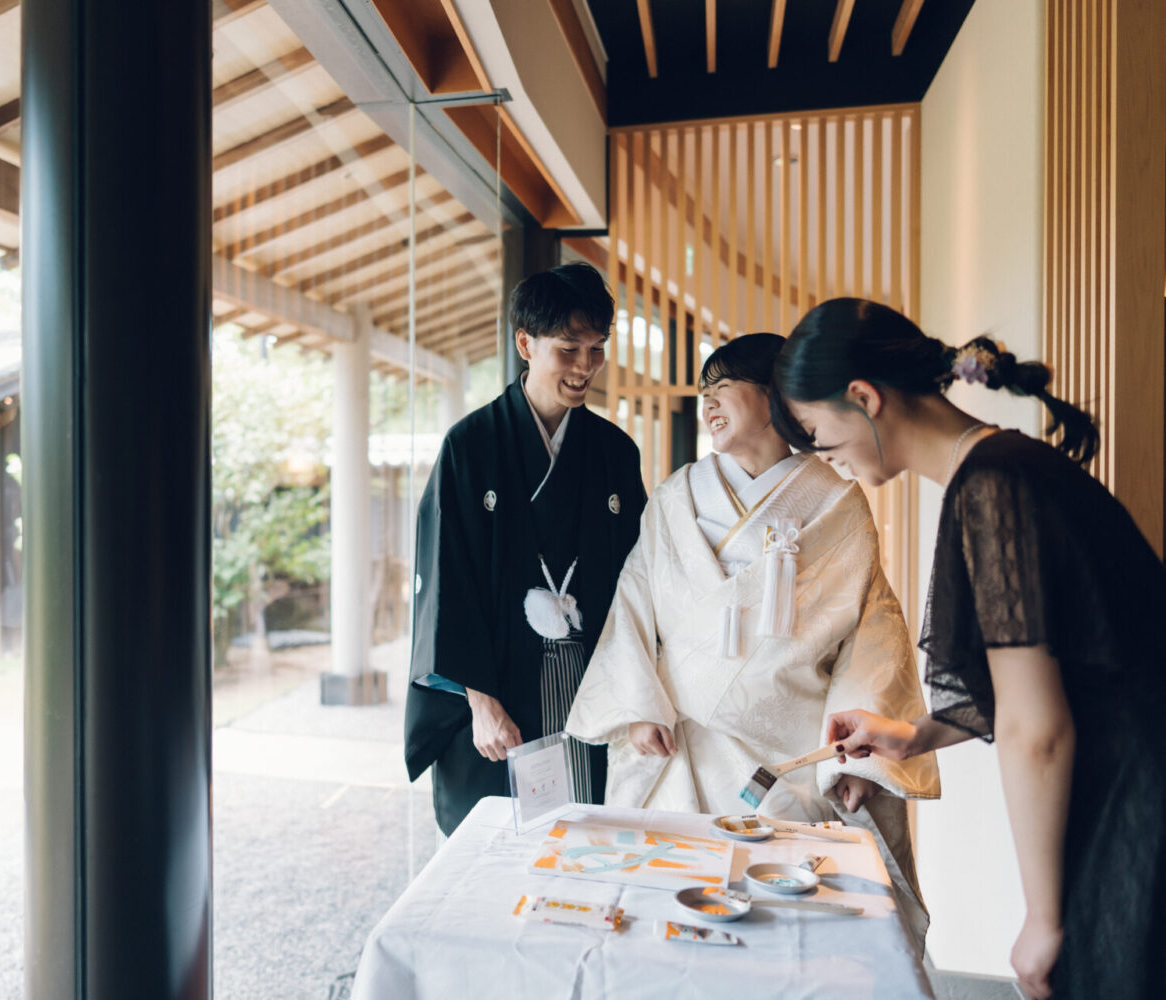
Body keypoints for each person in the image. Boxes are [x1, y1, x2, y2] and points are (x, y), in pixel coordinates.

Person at [771, 297, 1166, 1000]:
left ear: (863, 398)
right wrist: (912, 734)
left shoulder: (993, 487)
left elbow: (1034, 727)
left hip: (1136, 797)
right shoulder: (1008, 468)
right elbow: (1057, 673)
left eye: (817, 434)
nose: (826, 458)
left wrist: (1042, 919)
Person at [565, 332, 939, 934]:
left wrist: (852, 758)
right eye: (703, 391)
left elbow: (872, 635)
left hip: (786, 755)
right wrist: (637, 707)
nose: (707, 403)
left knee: (785, 925)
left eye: (723, 388)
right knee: (662, 911)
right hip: (676, 743)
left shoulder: (835, 501)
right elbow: (631, 605)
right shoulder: (675, 497)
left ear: (771, 395)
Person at [404, 261, 647, 836]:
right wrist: (480, 702)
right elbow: (447, 581)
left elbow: (641, 582)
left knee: (586, 846)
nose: (585, 367)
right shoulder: (471, 445)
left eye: (596, 348)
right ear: (525, 344)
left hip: (589, 692)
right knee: (499, 859)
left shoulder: (614, 452)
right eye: (568, 349)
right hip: (500, 692)